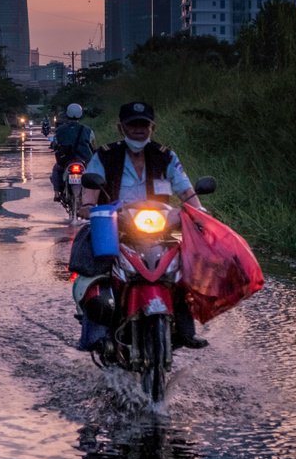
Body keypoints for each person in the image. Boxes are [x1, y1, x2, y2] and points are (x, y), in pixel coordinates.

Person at [80, 100, 208, 348]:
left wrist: (199, 210)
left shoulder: (166, 156)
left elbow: (185, 190)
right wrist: (88, 207)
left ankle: (185, 329)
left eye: (144, 125)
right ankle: (96, 334)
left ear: (153, 128)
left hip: (160, 229)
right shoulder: (105, 154)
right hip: (116, 227)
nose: (138, 130)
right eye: (132, 125)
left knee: (184, 271)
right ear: (121, 128)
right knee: (94, 271)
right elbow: (89, 196)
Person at [51, 103, 96, 199]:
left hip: (66, 159)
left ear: (67, 114)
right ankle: (95, 195)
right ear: (80, 114)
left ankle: (56, 193)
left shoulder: (60, 130)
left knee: (57, 169)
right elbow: (92, 144)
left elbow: (55, 143)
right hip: (84, 159)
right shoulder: (87, 130)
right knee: (93, 173)